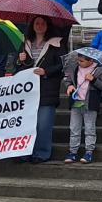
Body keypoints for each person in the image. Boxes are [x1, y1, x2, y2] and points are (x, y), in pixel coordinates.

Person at [16, 15, 64, 163]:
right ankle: (24, 152)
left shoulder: (57, 43)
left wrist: (46, 72)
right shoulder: (25, 43)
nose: (40, 25)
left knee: (43, 124)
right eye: (37, 23)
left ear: (48, 25)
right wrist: (19, 60)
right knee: (26, 124)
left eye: (43, 23)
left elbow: (62, 65)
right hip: (28, 92)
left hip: (47, 89)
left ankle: (41, 153)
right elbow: (17, 69)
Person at [62, 52, 102, 164]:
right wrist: (69, 86)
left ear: (91, 61)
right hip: (76, 102)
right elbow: (68, 81)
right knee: (74, 128)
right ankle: (73, 152)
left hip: (91, 103)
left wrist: (94, 80)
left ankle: (89, 151)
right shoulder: (75, 69)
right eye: (79, 60)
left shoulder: (100, 70)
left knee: (89, 128)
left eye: (82, 61)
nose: (79, 62)